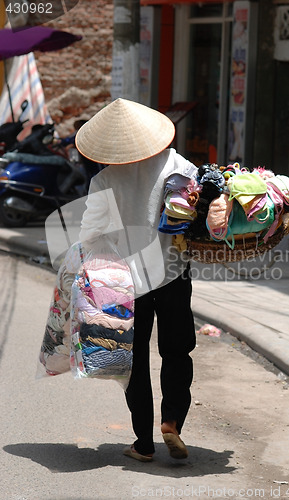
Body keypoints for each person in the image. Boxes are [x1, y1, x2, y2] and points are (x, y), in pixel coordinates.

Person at [75, 98, 197, 462]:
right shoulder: (179, 165)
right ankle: (172, 420)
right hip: (174, 272)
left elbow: (90, 234)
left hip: (125, 282)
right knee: (177, 350)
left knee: (135, 358)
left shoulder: (104, 180)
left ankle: (143, 442)